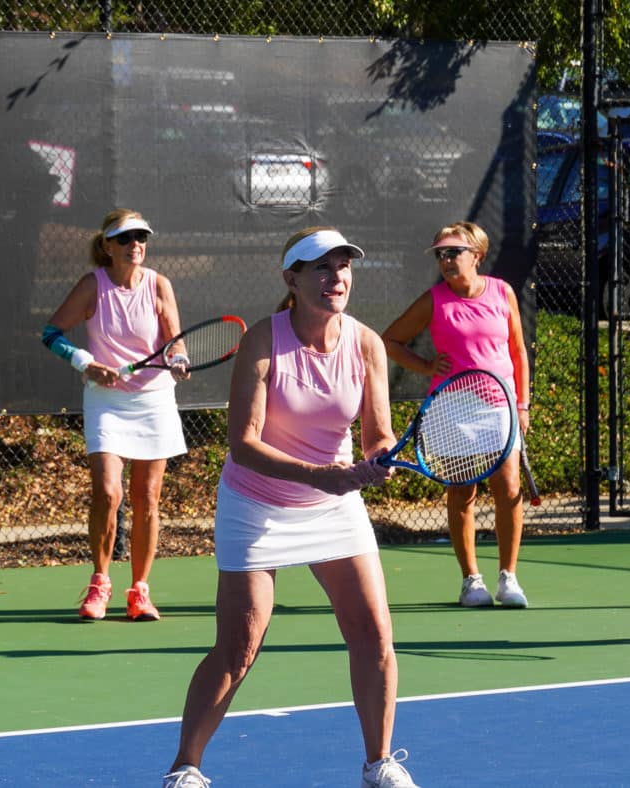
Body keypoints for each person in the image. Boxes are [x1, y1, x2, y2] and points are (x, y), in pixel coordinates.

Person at [163, 228, 419, 788]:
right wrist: (320, 476)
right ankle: (186, 767)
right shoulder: (263, 341)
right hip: (256, 505)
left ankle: (378, 764)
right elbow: (243, 443)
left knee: (374, 635)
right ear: (292, 280)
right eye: (321, 267)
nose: (336, 277)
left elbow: (377, 433)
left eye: (343, 266)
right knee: (239, 647)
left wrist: (378, 459)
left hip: (334, 506)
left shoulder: (367, 344)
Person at [41, 208, 190, 622]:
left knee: (147, 497)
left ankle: (140, 591)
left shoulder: (159, 285)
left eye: (141, 236)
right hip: (106, 402)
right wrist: (86, 363)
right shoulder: (92, 286)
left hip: (154, 400)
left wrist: (178, 360)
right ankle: (100, 583)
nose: (135, 244)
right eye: (125, 238)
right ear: (107, 246)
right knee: (108, 493)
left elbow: (174, 342)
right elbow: (50, 334)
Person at [380, 221, 533, 608]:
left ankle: (508, 578)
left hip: (500, 405)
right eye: (440, 255)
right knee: (462, 492)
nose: (446, 260)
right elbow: (390, 340)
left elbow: (518, 350)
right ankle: (471, 581)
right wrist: (426, 366)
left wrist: (523, 404)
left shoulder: (502, 292)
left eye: (454, 252)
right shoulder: (433, 300)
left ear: (476, 255)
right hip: (452, 407)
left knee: (509, 487)